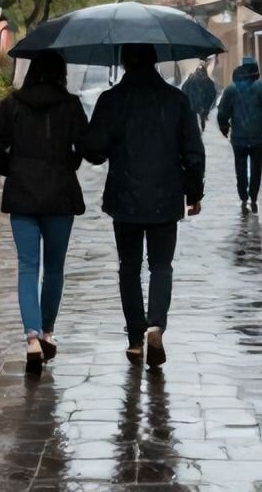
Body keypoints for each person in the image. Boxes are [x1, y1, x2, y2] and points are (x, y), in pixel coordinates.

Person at [81, 44, 204, 369]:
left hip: (125, 199)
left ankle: (136, 339)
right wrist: (193, 194)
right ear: (155, 61)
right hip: (165, 197)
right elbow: (193, 152)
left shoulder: (111, 100)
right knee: (161, 266)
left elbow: (93, 150)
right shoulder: (176, 100)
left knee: (129, 268)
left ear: (124, 63)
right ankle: (155, 326)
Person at [0, 50, 88, 375]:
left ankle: (31, 337)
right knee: (54, 269)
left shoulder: (11, 105)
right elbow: (84, 145)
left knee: (28, 266)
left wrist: (10, 168)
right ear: (61, 73)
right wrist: (69, 164)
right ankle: (48, 332)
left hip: (23, 196)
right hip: (59, 198)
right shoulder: (70, 106)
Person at [215, 56, 262, 214]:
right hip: (258, 136)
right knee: (257, 167)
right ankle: (254, 196)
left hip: (239, 137)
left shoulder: (231, 89)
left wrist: (224, 128)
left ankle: (243, 195)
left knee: (240, 167)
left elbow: (223, 112)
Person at [182, 62, 218, 131]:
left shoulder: (190, 80)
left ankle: (197, 128)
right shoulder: (208, 81)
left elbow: (184, 89)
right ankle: (201, 127)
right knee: (201, 115)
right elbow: (212, 93)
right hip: (202, 103)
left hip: (193, 102)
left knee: (194, 116)